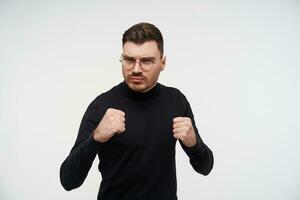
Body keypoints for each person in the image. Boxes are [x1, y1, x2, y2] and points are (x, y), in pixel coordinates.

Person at [60, 22, 214, 200]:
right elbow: (68, 180)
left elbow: (205, 167)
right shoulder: (102, 105)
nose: (136, 69)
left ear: (162, 63)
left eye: (147, 61)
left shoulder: (176, 101)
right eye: (129, 60)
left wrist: (194, 145)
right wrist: (95, 138)